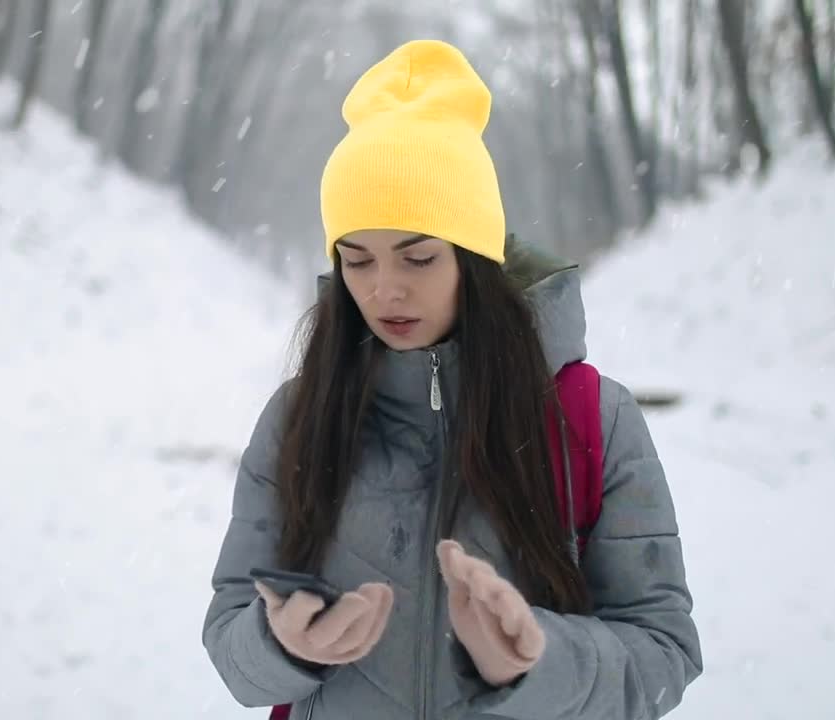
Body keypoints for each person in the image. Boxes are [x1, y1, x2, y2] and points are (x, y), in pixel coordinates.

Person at [201, 39, 702, 720]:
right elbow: (233, 645)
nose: (384, 292)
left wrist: (537, 663)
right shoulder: (301, 417)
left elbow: (663, 655)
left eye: (419, 258)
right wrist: (280, 645)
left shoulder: (592, 418)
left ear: (475, 258)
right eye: (357, 261)